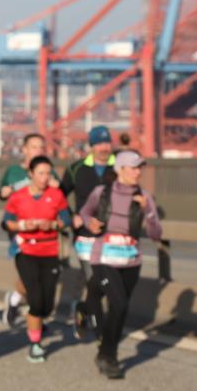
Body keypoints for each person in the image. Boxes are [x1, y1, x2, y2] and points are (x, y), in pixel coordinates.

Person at [78, 150, 162, 379]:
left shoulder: (145, 197)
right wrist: (90, 222)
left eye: (139, 167)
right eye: (133, 167)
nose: (138, 172)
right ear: (120, 170)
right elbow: (84, 212)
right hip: (103, 257)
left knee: (118, 307)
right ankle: (108, 355)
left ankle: (87, 310)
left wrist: (148, 211)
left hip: (131, 260)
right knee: (120, 303)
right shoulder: (101, 193)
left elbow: (156, 233)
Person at [2, 156, 71, 362]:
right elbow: (6, 222)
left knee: (47, 306)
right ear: (31, 174)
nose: (45, 178)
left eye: (48, 173)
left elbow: (66, 219)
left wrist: (54, 225)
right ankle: (35, 344)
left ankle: (20, 304)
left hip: (50, 251)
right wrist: (24, 225)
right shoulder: (18, 197)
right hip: (26, 251)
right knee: (36, 300)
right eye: (40, 173)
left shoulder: (56, 195)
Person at [60, 125, 117, 341]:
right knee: (94, 279)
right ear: (91, 146)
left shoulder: (120, 167)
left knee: (109, 283)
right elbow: (59, 197)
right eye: (99, 143)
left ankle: (82, 308)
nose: (104, 147)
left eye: (107, 142)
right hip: (85, 235)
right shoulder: (76, 169)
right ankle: (102, 334)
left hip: (113, 236)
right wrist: (71, 217)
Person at [0, 133, 59, 327]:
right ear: (24, 149)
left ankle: (17, 300)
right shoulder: (14, 171)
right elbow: (1, 192)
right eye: (34, 147)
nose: (38, 151)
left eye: (41, 147)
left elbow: (59, 194)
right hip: (20, 229)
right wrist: (5, 191)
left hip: (44, 231)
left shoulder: (48, 171)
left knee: (37, 278)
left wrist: (56, 186)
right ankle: (35, 317)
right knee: (30, 275)